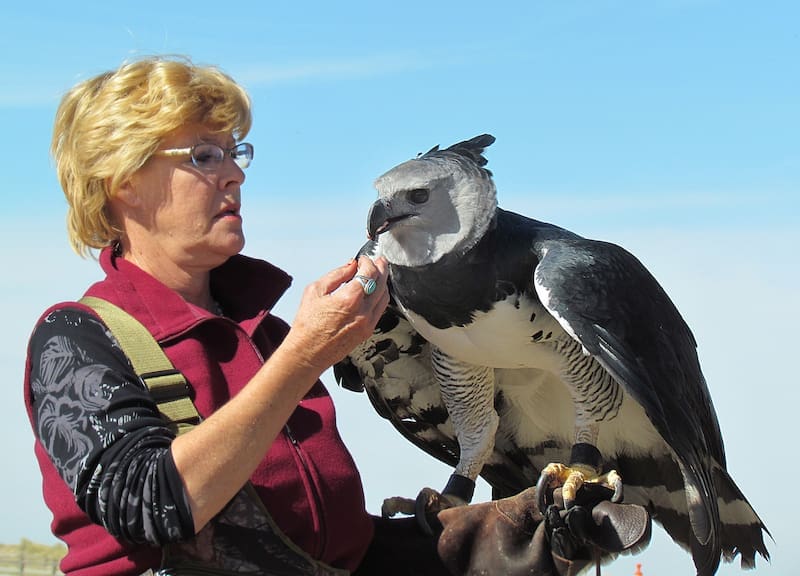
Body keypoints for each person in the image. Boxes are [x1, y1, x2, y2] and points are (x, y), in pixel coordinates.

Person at [24, 55, 650, 576]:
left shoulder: (265, 337)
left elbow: (334, 553)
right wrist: (304, 357)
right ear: (122, 181)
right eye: (203, 157)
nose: (235, 174)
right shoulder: (77, 337)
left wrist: (518, 541)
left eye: (236, 151)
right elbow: (148, 504)